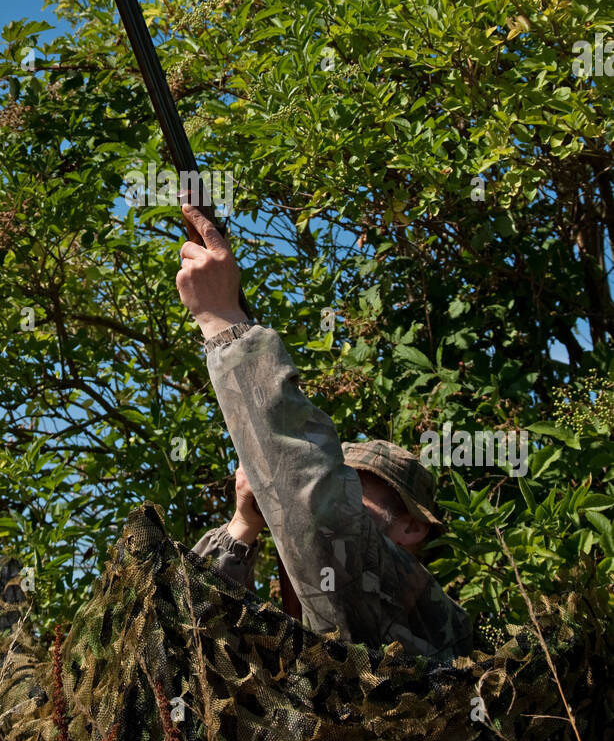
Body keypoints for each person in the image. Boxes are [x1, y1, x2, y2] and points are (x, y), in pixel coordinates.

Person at [177, 202, 472, 666]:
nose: (338, 493)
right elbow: (182, 635)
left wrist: (221, 321)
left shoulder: (423, 607)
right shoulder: (311, 614)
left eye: (352, 487)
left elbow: (315, 507)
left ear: (412, 527)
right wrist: (245, 528)